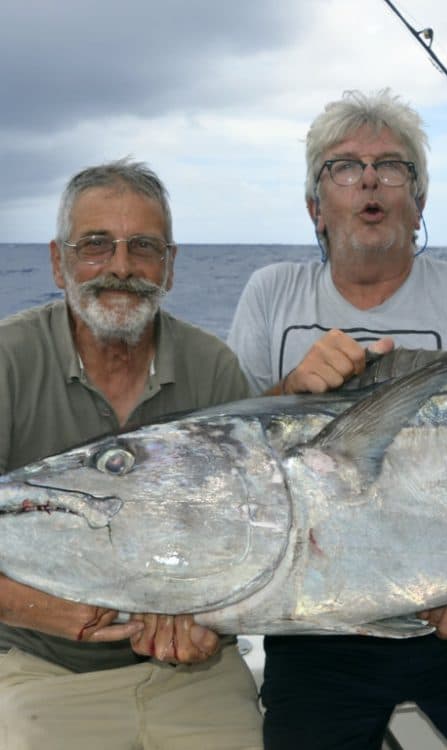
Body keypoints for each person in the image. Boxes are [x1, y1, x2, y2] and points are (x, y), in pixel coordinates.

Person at [227, 89, 447, 750]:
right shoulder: (270, 292)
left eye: (391, 167)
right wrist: (290, 390)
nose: (368, 180)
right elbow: (234, 466)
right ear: (315, 207)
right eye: (344, 167)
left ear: (417, 203)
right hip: (318, 623)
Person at [0, 159, 263, 749]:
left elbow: (255, 533)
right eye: (96, 245)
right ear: (56, 260)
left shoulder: (214, 367)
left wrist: (206, 621)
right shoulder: (7, 362)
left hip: (197, 675)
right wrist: (54, 611)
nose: (120, 267)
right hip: (41, 675)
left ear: (169, 267)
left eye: (143, 247)